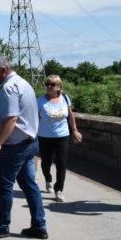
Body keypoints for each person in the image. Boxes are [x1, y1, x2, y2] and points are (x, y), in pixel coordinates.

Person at [0, 56, 48, 240]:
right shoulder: (24, 83)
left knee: (3, 185)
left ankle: (2, 226)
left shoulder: (9, 88)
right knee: (29, 185)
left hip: (14, 146)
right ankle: (39, 226)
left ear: (1, 70)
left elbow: (11, 119)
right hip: (29, 143)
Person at [37, 74, 83, 202]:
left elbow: (70, 115)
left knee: (61, 163)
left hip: (62, 136)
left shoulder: (65, 98)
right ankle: (48, 179)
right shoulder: (40, 101)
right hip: (44, 136)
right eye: (47, 84)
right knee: (46, 162)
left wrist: (74, 130)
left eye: (52, 84)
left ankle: (59, 190)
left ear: (59, 87)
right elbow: (34, 118)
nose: (49, 87)